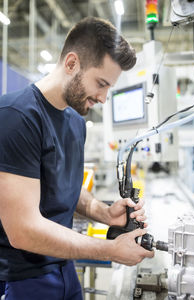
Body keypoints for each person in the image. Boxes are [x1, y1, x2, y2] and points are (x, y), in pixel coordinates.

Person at [0, 17, 154, 300]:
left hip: (64, 269)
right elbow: (23, 230)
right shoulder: (16, 117)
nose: (104, 98)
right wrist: (110, 250)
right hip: (23, 279)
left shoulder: (75, 121)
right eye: (101, 83)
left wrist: (104, 212)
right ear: (71, 64)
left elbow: (64, 187)